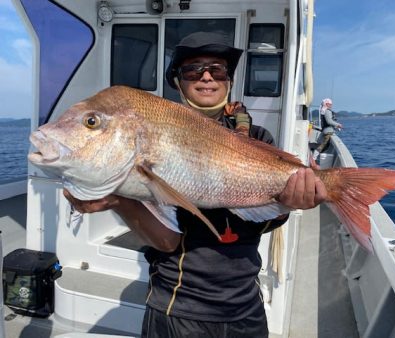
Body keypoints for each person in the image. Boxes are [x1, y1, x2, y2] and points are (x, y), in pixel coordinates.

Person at [63, 31, 327, 338]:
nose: (206, 78)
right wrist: (118, 201)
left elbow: (262, 224)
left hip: (246, 305)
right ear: (177, 81)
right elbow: (166, 242)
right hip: (179, 307)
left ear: (228, 80)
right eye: (192, 70)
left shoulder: (258, 139)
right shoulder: (160, 133)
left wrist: (290, 204)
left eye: (218, 70)